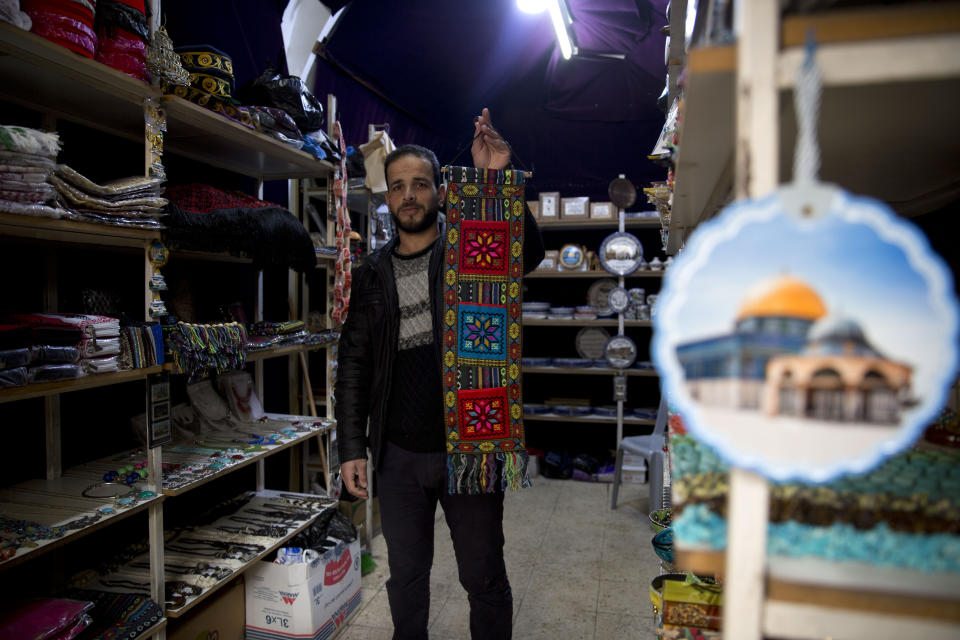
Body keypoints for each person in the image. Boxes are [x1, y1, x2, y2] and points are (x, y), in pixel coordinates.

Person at [334, 108, 544, 640]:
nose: (409, 195)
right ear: (387, 200)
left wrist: (494, 179)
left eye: (420, 185)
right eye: (398, 187)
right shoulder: (371, 273)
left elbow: (531, 253)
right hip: (398, 456)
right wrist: (351, 449)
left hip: (468, 448)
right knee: (405, 579)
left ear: (442, 193)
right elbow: (354, 364)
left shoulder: (474, 254)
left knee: (483, 578)